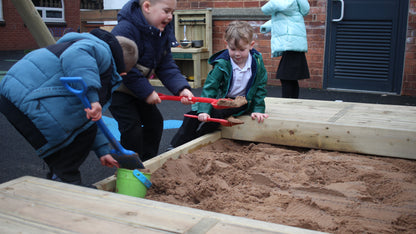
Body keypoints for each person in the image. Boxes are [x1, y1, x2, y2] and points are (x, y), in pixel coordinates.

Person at [0, 28, 138, 185]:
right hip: (31, 97)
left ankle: (60, 179)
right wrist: (93, 96)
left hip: (15, 96)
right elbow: (75, 55)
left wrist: (102, 151)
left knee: (82, 127)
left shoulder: (81, 43)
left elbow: (92, 120)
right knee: (79, 136)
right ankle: (67, 180)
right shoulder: (99, 50)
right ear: (123, 73)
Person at [109, 0, 194, 161]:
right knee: (131, 127)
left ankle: (147, 161)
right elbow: (125, 69)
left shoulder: (161, 32)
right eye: (166, 11)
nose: (170, 17)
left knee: (154, 123)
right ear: (147, 7)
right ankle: (130, 165)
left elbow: (166, 64)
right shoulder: (126, 29)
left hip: (138, 89)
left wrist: (181, 88)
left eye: (172, 12)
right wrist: (147, 92)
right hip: (118, 88)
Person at [169, 21, 269, 148]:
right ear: (226, 45)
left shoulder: (257, 64)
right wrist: (204, 110)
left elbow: (260, 88)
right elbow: (211, 87)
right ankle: (176, 144)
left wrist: (258, 109)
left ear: (251, 45)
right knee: (192, 115)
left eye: (242, 50)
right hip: (220, 99)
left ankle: (197, 141)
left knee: (215, 116)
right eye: (233, 49)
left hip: (240, 102)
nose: (237, 54)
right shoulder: (223, 63)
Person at [260, 0, 310, 98]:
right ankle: (292, 101)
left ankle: (288, 102)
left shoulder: (285, 2)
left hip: (291, 42)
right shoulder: (290, 5)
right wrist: (266, 26)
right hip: (292, 42)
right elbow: (283, 18)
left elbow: (266, 9)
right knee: (290, 78)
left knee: (286, 76)